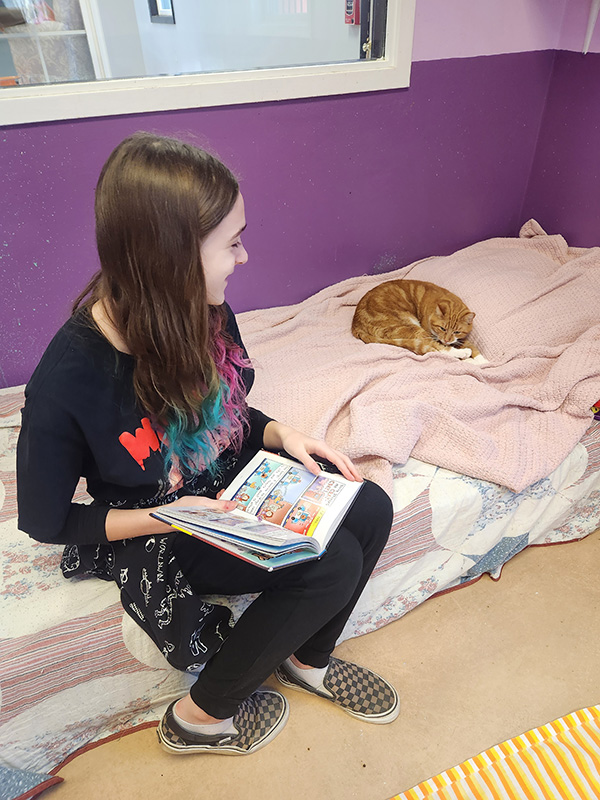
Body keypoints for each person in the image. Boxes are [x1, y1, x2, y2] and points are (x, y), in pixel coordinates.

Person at [17, 132, 398, 756]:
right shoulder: (68, 380)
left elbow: (231, 411)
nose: (244, 258)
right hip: (160, 521)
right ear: (170, 256)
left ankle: (308, 660)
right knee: (331, 567)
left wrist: (282, 432)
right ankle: (201, 716)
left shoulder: (199, 308)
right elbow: (46, 519)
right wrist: (163, 515)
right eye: (232, 243)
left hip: (227, 478)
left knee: (371, 505)